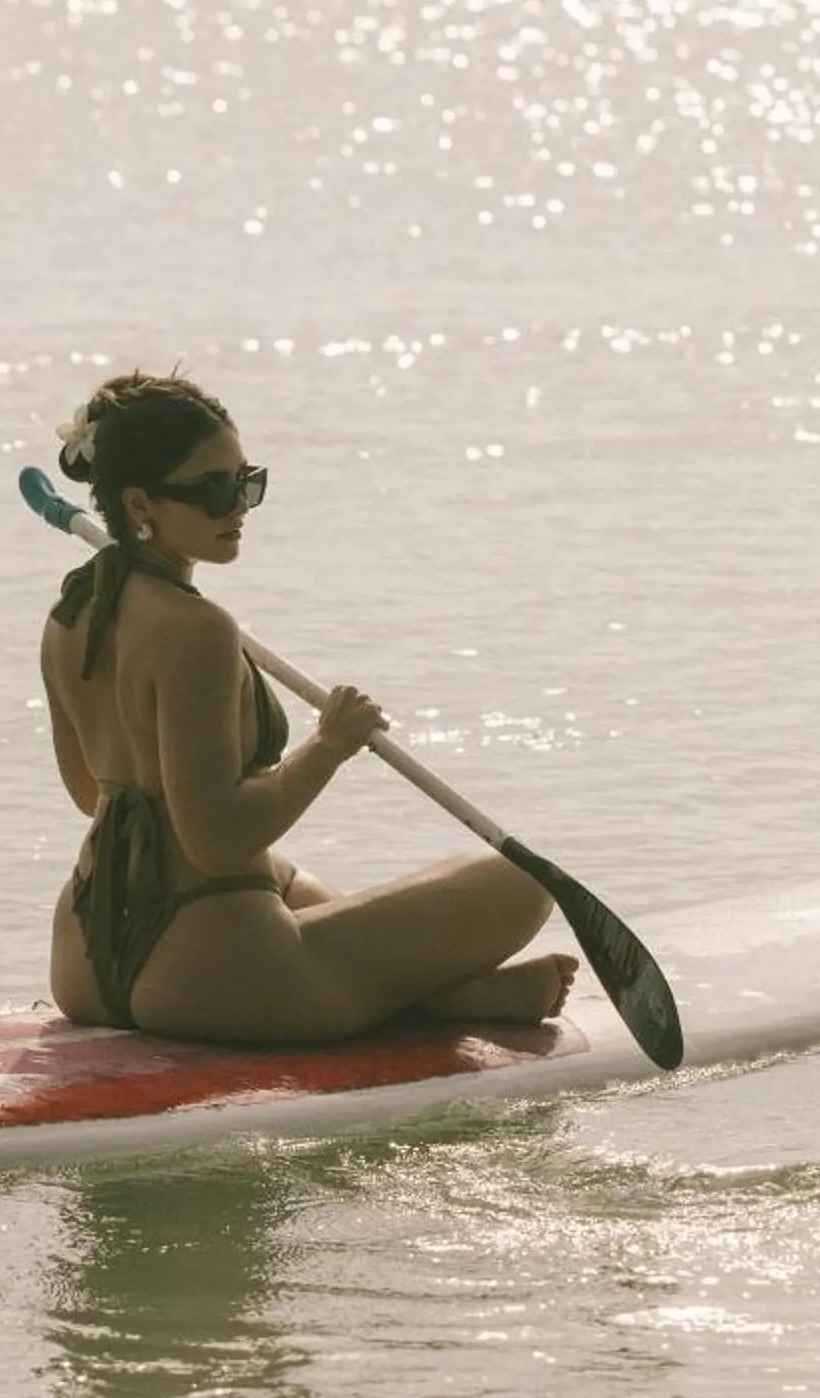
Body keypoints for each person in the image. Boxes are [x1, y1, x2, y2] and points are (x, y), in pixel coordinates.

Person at [42, 370, 578, 1042]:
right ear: (140, 503)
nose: (238, 506)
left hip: (86, 960)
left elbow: (91, 794)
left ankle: (445, 995)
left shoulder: (70, 615)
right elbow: (218, 841)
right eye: (214, 490)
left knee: (290, 882)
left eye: (247, 482)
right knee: (523, 882)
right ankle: (424, 994)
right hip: (212, 976)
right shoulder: (198, 631)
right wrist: (330, 745)